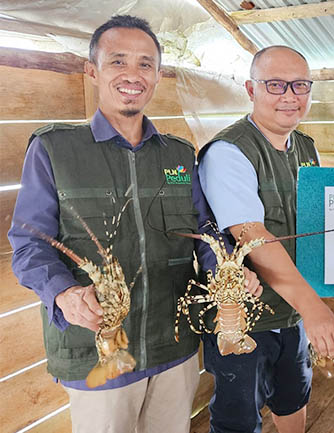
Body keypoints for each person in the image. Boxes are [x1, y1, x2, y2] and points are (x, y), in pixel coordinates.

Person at [8, 15, 259, 433]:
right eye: (117, 61)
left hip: (173, 345)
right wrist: (65, 293)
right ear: (92, 70)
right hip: (95, 353)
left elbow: (206, 232)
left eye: (145, 64)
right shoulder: (54, 149)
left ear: (158, 75)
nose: (132, 74)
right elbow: (28, 244)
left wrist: (229, 273)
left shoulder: (179, 156)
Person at [197, 45, 334, 433]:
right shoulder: (229, 151)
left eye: (299, 85)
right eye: (275, 84)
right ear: (251, 89)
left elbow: (321, 225)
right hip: (244, 320)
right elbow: (253, 236)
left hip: (293, 315)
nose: (289, 96)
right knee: (238, 420)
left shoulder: (306, 148)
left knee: (293, 398)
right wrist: (314, 307)